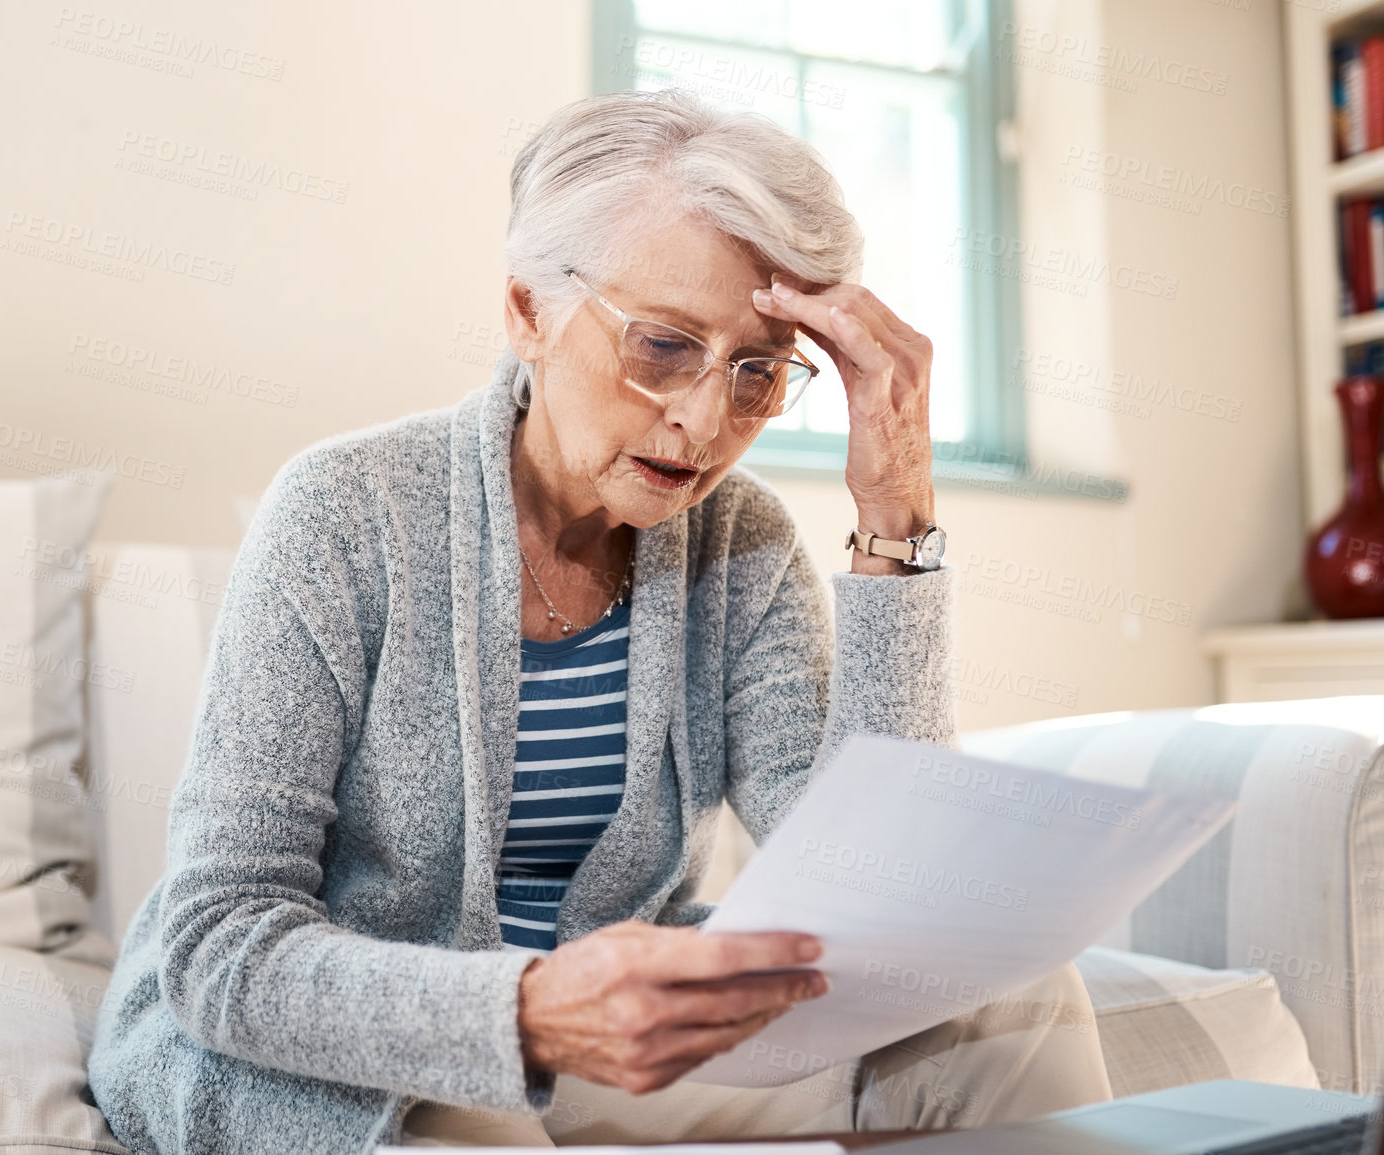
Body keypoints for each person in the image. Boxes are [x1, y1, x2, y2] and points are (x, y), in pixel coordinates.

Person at [87, 88, 1112, 1153]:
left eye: (759, 371)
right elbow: (219, 945)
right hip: (347, 1053)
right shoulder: (346, 514)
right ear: (529, 307)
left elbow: (877, 886)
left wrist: (896, 509)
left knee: (1018, 1002)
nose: (706, 422)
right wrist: (524, 1011)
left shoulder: (740, 544)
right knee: (482, 1128)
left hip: (614, 1048)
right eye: (664, 346)